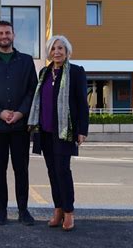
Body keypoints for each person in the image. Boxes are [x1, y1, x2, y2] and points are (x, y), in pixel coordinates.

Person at [0, 20, 38, 226]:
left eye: (8, 32)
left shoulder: (26, 61)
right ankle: (1, 210)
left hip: (20, 127)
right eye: (1, 33)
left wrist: (21, 112)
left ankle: (23, 210)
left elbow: (33, 91)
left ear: (14, 35)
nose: (4, 36)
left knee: (21, 169)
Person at [28, 35, 89, 231]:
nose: (57, 51)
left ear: (67, 51)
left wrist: (82, 130)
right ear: (49, 51)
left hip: (64, 131)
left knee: (63, 171)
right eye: (54, 48)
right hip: (45, 131)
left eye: (61, 48)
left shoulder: (76, 72)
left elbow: (82, 103)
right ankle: (58, 209)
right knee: (52, 172)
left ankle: (69, 212)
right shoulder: (44, 73)